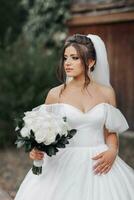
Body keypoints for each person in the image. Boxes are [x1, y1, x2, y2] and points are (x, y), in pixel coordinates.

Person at [14, 34, 134, 200]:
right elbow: (43, 129)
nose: (67, 63)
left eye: (75, 58)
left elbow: (110, 130)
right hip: (63, 162)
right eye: (65, 58)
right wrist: (36, 149)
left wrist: (113, 150)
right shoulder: (55, 94)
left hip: (99, 160)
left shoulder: (107, 93)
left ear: (91, 62)